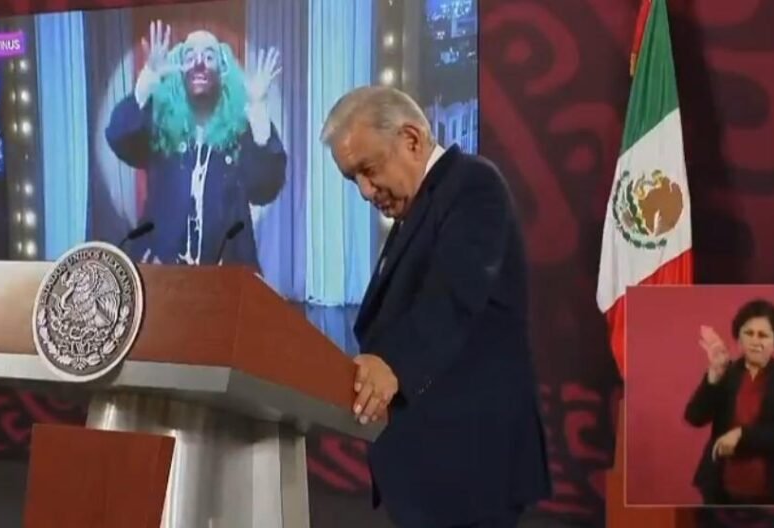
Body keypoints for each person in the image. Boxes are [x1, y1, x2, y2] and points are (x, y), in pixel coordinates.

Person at [320, 86, 551, 528]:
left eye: (369, 169)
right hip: (433, 473)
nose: (365, 191)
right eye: (354, 180)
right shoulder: (420, 208)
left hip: (470, 468)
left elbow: (453, 294)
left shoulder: (473, 185)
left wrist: (393, 364)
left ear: (411, 139)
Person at [106, 22, 286, 269]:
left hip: (226, 275)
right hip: (162, 270)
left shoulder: (242, 129)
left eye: (209, 56)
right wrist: (147, 80)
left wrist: (258, 110)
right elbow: (118, 138)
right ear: (180, 72)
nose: (199, 63)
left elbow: (264, 190)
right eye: (190, 56)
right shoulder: (161, 124)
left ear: (223, 72)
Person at [684, 298, 774, 505]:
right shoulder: (725, 372)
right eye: (749, 333)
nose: (755, 341)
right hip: (722, 487)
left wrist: (742, 435)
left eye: (763, 335)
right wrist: (714, 375)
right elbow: (694, 418)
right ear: (739, 338)